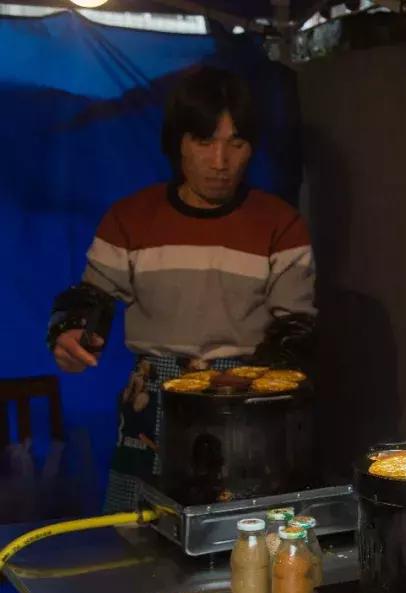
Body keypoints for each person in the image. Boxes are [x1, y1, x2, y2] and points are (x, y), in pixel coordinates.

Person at [47, 66, 316, 512]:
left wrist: (258, 386)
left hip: (246, 406)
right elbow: (91, 301)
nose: (220, 162)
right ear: (178, 144)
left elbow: (296, 327)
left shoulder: (280, 224)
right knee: (139, 539)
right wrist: (72, 335)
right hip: (150, 404)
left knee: (240, 538)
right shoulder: (130, 219)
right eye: (204, 141)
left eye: (237, 143)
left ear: (252, 150)